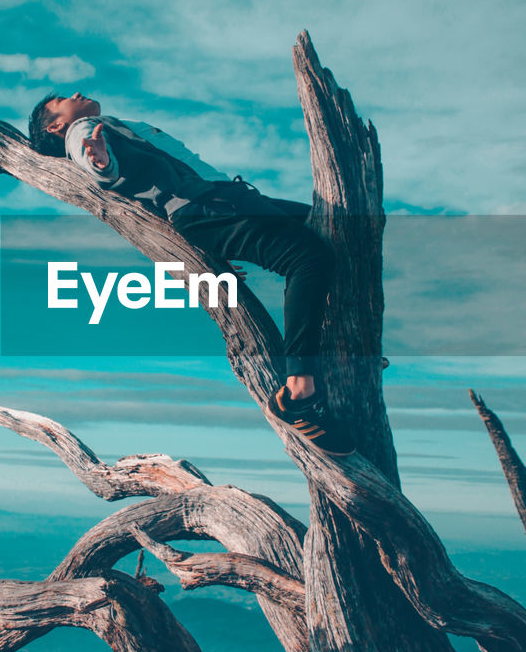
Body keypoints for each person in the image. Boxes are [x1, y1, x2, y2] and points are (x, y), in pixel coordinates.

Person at [28, 90, 353, 456]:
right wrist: (101, 163)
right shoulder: (82, 131)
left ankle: (334, 347)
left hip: (223, 200)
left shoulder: (111, 127)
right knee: (307, 257)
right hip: (209, 208)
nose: (74, 93)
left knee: (331, 228)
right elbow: (97, 163)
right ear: (56, 126)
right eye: (61, 100)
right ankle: (299, 392)